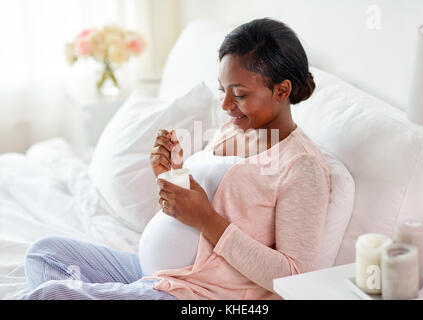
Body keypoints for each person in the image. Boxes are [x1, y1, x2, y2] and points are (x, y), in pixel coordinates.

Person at [20, 17, 331, 300]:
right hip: (157, 274)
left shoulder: (301, 166)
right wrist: (172, 175)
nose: (225, 104)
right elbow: (206, 207)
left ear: (282, 90)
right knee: (43, 255)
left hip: (200, 294)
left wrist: (207, 219)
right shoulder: (231, 131)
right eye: (222, 89)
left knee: (51, 295)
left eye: (238, 94)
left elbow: (293, 277)